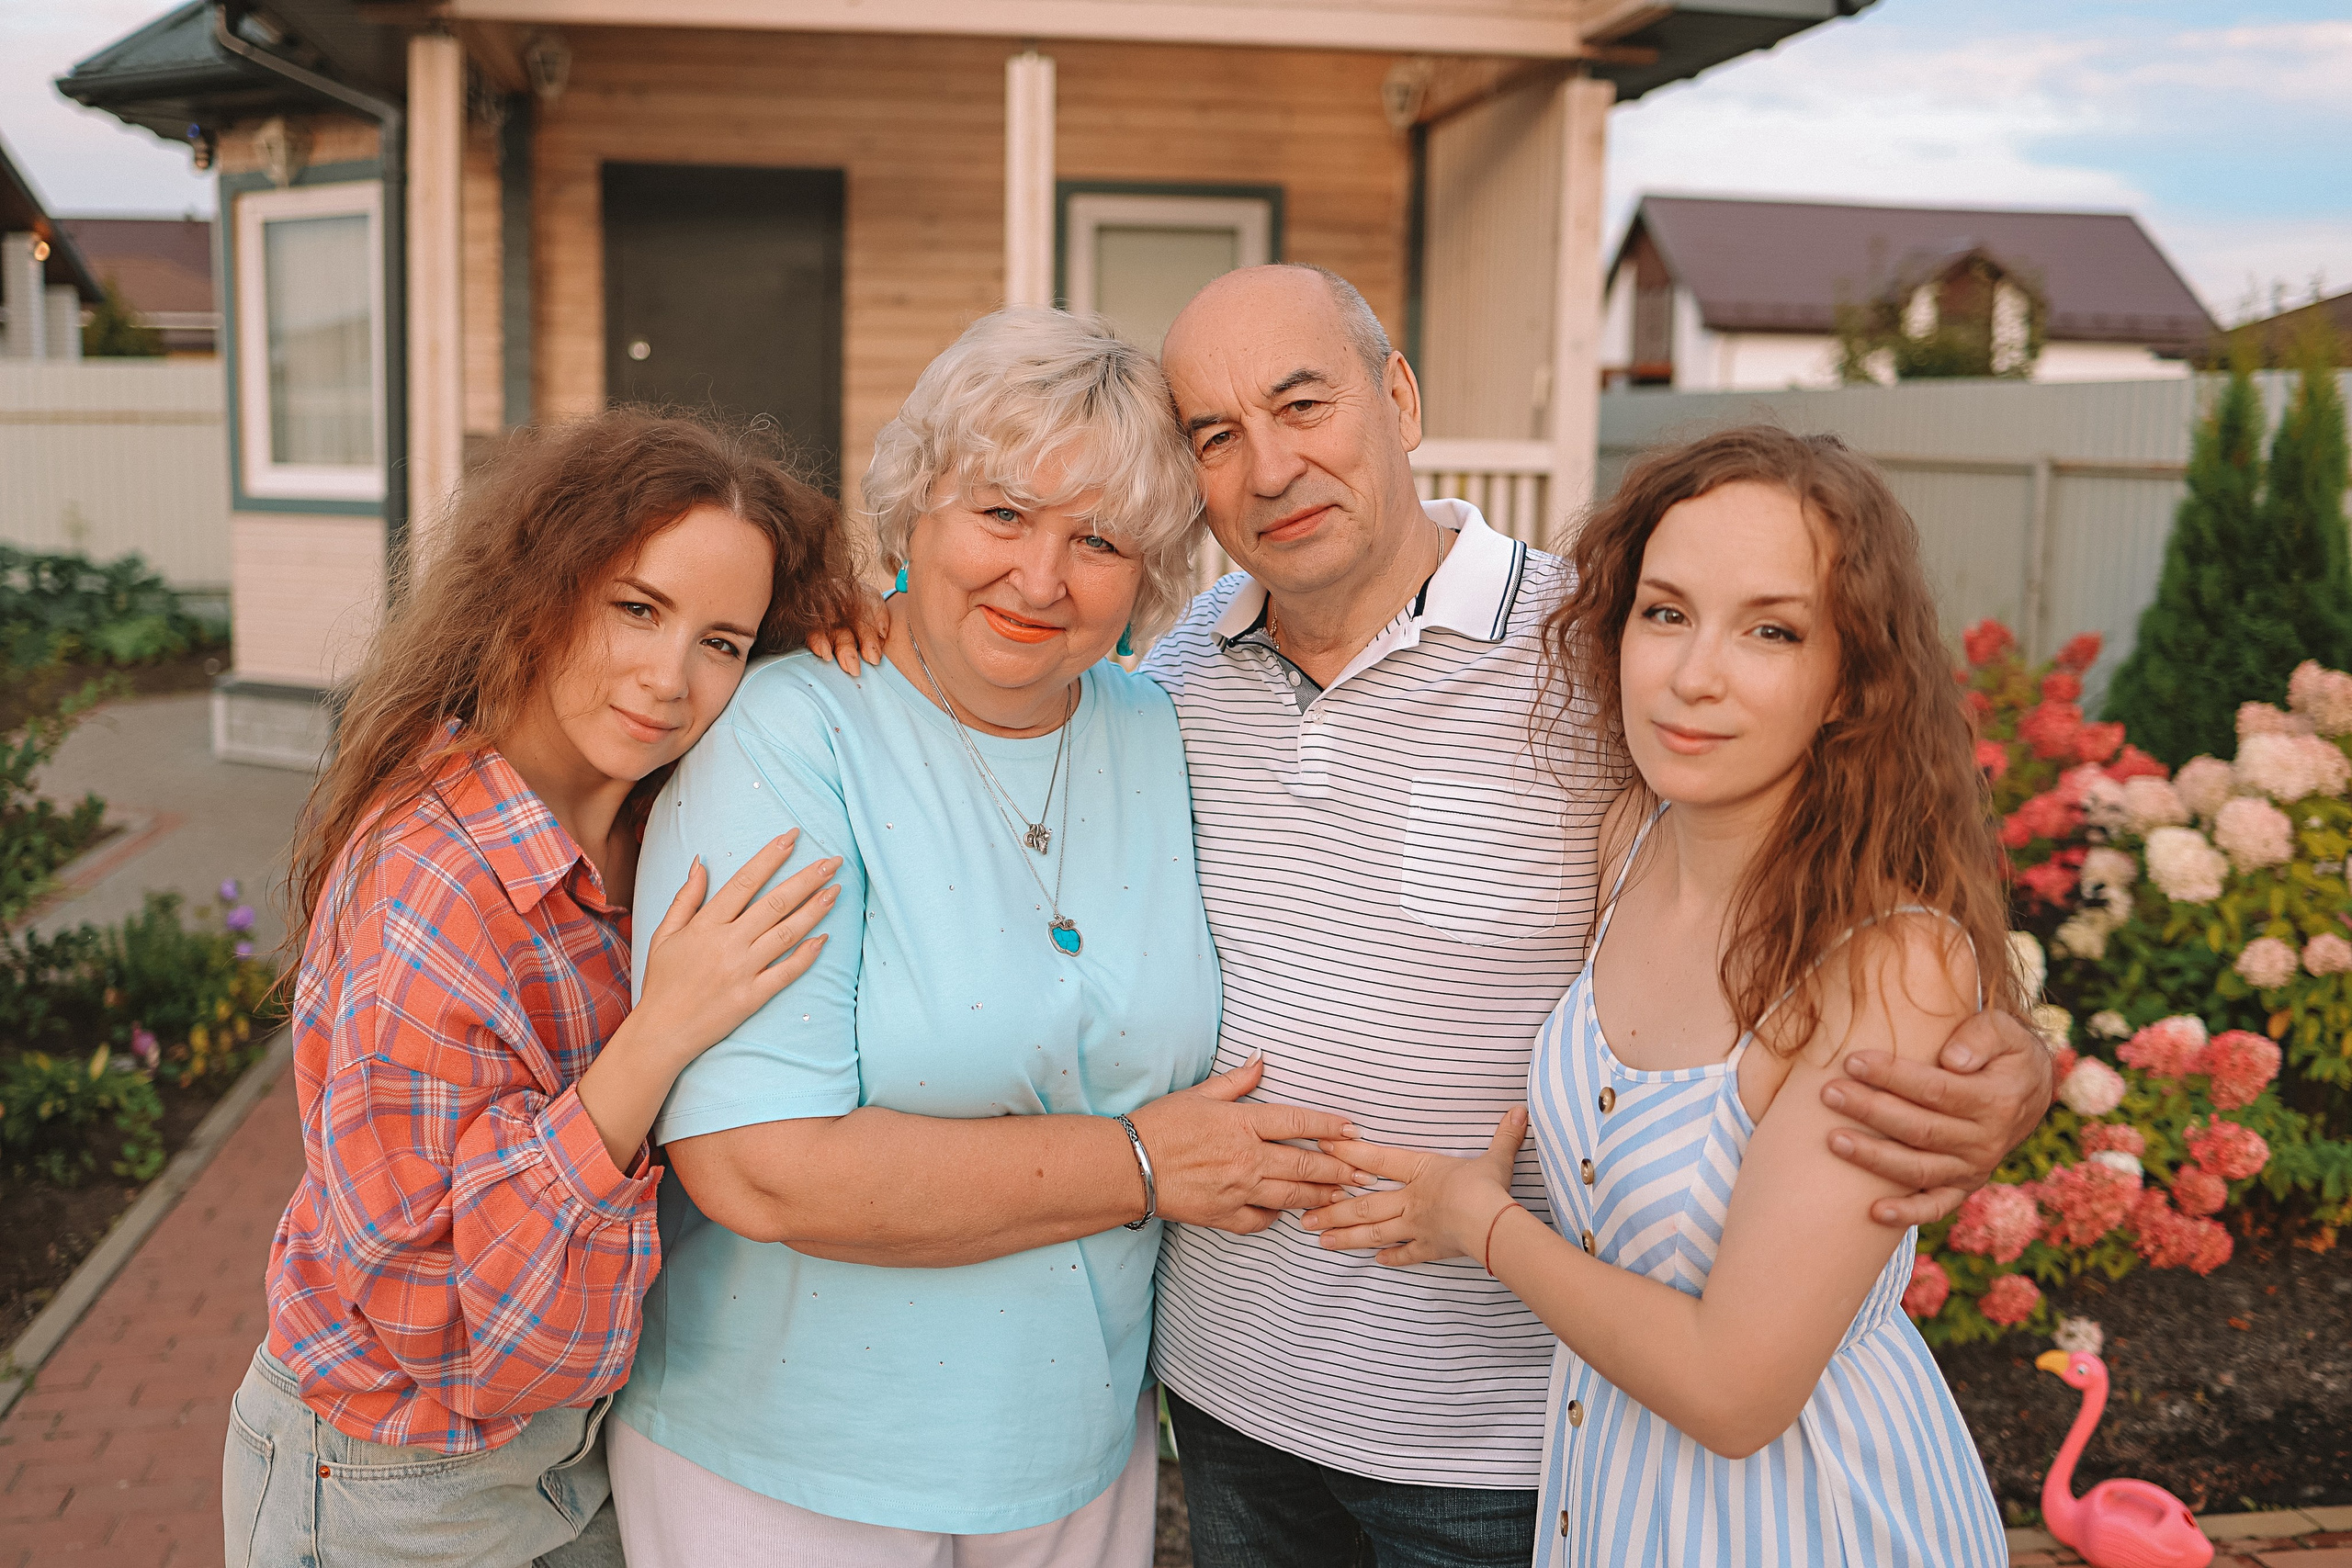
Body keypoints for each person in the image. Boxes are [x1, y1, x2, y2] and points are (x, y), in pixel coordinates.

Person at [1132, 265, 2052, 1567]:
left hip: (1509, 1440)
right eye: (1217, 435)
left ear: (1399, 397)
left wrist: (2007, 1055)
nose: (1271, 468)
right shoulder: (1168, 676)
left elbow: (1859, 875)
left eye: (1302, 405)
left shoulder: (1599, 644)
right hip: (1232, 1388)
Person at [605, 307, 1362, 1568]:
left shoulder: (1153, 727)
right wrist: (1139, 1160)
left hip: (1076, 1447)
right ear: (916, 511)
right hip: (794, 1457)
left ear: (1149, 573)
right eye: (1002, 513)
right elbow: (756, 1164)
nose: (1041, 578)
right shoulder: (790, 735)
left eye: (1099, 539)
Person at [1315, 427, 2012, 1563]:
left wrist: (1477, 1224)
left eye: (1771, 631)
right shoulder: (1629, 843)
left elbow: (1735, 1392)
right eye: (1666, 612)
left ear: (1851, 682)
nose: (1694, 676)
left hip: (1809, 1522)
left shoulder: (1884, 967)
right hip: (1610, 1505)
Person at [222, 411, 855, 1568]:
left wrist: (868, 633)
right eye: (636, 608)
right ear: (538, 590)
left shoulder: (655, 825)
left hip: (574, 1448)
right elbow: (453, 1334)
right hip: (397, 1480)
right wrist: (656, 1036)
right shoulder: (431, 885)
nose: (669, 678)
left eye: (722, 641)